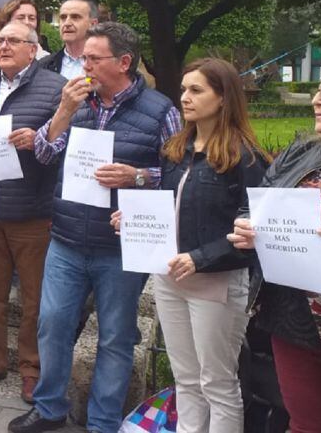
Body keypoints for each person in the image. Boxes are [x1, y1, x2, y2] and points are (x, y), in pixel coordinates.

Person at [8, 22, 180, 433]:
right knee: (51, 324)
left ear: (123, 62)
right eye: (83, 58)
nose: (83, 66)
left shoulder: (161, 111)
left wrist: (137, 177)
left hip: (120, 246)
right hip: (67, 239)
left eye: (92, 59)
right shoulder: (79, 103)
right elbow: (47, 155)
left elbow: (178, 176)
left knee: (116, 338)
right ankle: (50, 409)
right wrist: (65, 110)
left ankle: (103, 423)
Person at [103, 58, 268, 432]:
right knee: (186, 380)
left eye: (196, 90)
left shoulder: (244, 158)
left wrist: (199, 258)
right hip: (170, 277)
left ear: (223, 98)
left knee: (218, 383)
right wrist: (135, 221)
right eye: (183, 90)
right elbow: (169, 207)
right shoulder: (176, 148)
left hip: (217, 283)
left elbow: (253, 235)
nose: (185, 98)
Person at [229, 55, 321, 432]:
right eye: (318, 91)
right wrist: (246, 229)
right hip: (293, 324)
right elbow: (253, 206)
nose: (317, 99)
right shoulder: (298, 155)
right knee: (304, 426)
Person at [0, 23, 66, 402]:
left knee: (34, 298)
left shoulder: (54, 88)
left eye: (13, 41)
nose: (4, 46)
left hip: (32, 212)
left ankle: (31, 367)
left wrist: (37, 139)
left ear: (33, 49)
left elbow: (65, 146)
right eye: (0, 41)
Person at [39, 0, 98, 80]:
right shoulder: (43, 66)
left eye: (75, 17)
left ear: (93, 24)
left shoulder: (107, 64)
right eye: (63, 17)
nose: (67, 23)